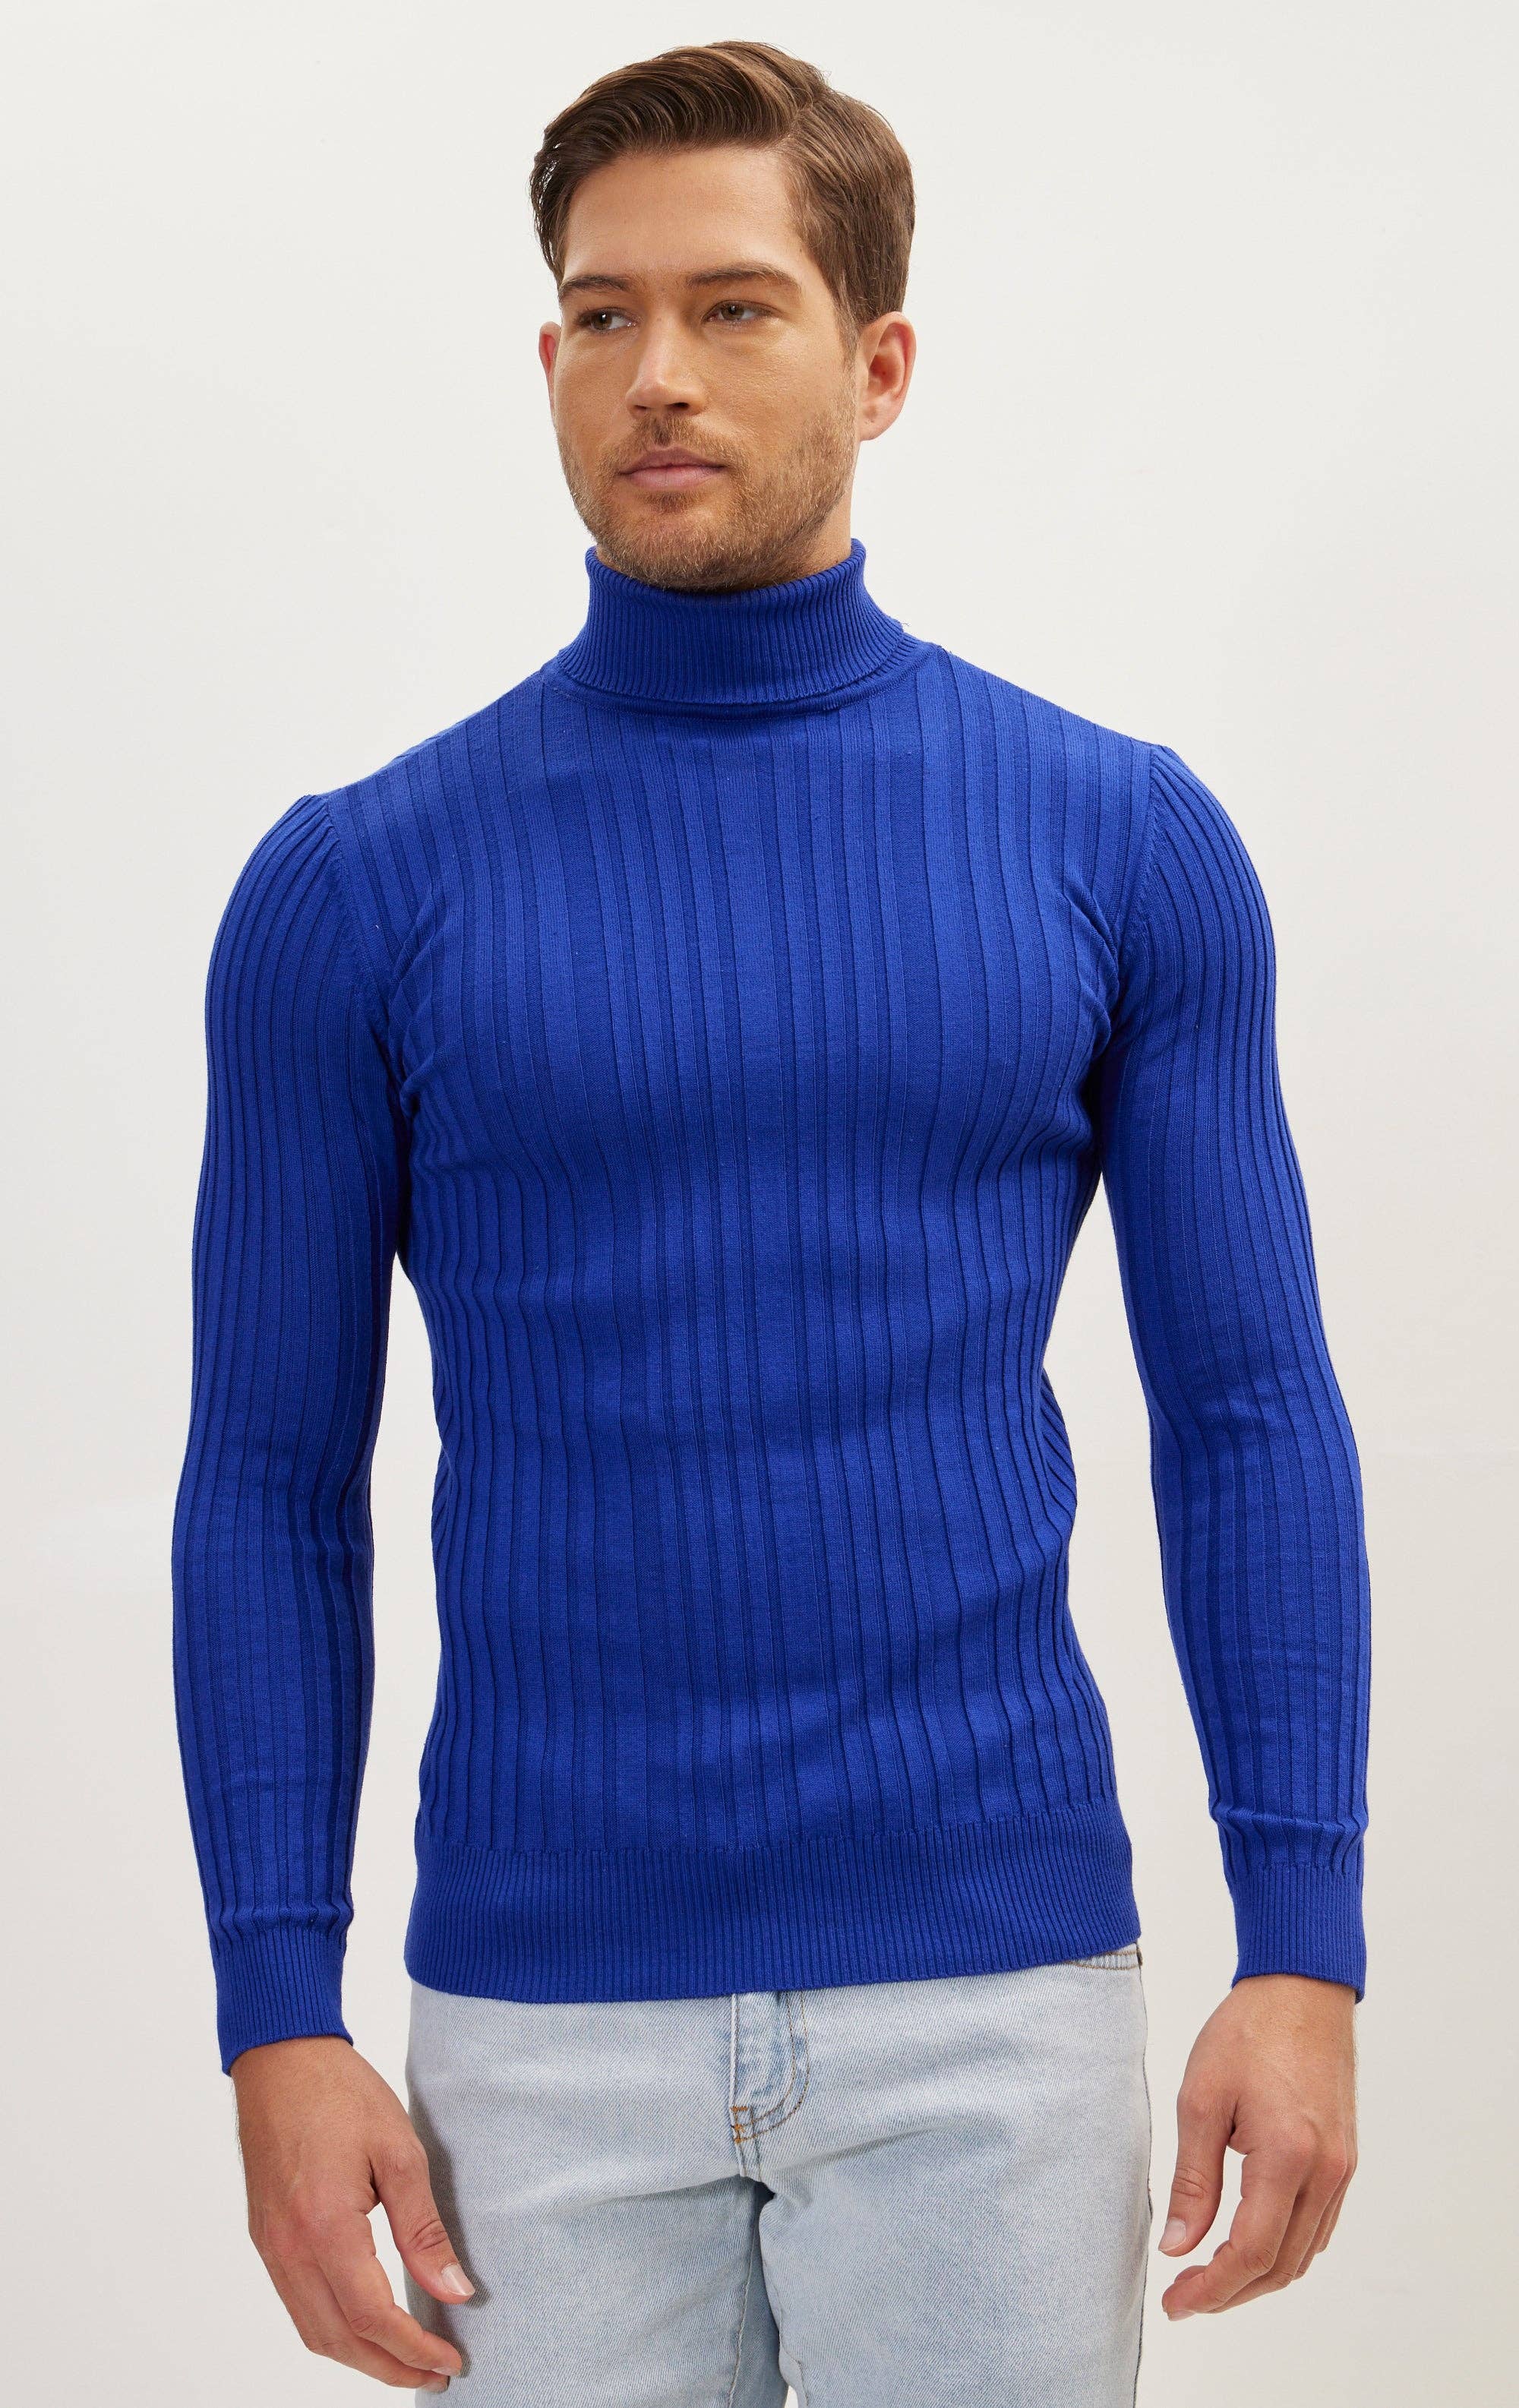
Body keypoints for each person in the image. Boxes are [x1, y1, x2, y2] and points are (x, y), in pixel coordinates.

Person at [171, 39, 1369, 2406]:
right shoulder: (355, 890)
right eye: (601, 315)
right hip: (535, 2024)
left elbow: (1250, 1413)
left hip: (995, 2002)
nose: (658, 372)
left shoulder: (1117, 844)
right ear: (546, 358)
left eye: (734, 307)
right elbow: (269, 1483)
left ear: (880, 364)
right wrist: (272, 2010)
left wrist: (1305, 1943)